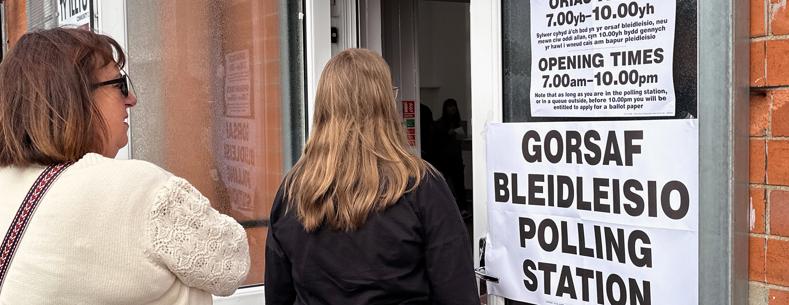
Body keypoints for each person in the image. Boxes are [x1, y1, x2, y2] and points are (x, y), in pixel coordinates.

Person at [0, 28, 249, 304]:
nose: (132, 99)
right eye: (119, 84)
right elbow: (232, 265)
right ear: (75, 97)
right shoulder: (139, 189)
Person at [265, 49, 479, 305]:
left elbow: (278, 296)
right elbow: (458, 294)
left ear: (323, 108)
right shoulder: (422, 186)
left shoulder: (293, 192)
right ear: (385, 105)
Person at [435, 98, 470, 217]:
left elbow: (462, 140)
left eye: (454, 106)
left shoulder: (458, 123)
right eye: (450, 106)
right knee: (446, 185)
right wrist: (446, 134)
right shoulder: (439, 124)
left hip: (456, 159)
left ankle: (462, 208)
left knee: (459, 184)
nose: (452, 108)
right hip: (445, 160)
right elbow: (436, 142)